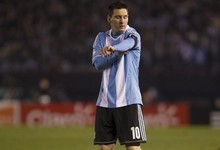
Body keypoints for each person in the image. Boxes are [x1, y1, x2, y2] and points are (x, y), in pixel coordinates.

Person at [92, 1, 146, 150]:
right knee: (105, 148)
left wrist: (114, 48)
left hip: (129, 101)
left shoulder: (132, 35)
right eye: (117, 17)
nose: (122, 21)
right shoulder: (101, 38)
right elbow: (98, 64)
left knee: (133, 148)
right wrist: (116, 55)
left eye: (125, 17)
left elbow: (129, 43)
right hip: (105, 103)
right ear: (109, 19)